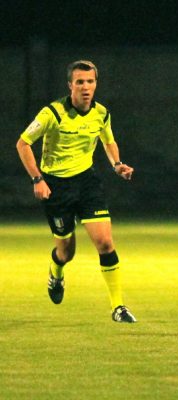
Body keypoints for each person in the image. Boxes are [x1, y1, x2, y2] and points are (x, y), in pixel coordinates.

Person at [16, 60, 137, 323]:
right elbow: (23, 143)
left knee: (105, 243)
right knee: (66, 252)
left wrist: (117, 165)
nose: (85, 87)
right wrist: (38, 179)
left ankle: (118, 307)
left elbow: (108, 139)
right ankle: (56, 271)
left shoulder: (101, 113)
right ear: (70, 85)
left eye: (90, 81)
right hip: (56, 186)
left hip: (86, 183)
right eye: (80, 82)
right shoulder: (52, 113)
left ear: (96, 84)